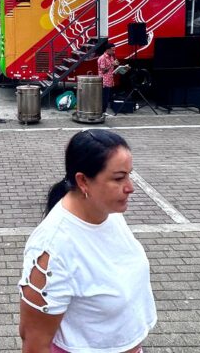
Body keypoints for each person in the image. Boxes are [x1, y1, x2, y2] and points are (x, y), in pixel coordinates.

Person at [19, 129, 156, 352]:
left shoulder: (106, 212)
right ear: (83, 181)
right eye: (119, 178)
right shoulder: (52, 250)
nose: (130, 187)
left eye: (130, 175)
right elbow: (34, 342)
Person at [96, 45, 120, 116]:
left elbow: (111, 69)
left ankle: (104, 111)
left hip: (109, 79)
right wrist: (112, 64)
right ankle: (102, 111)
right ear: (107, 50)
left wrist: (118, 68)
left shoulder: (111, 57)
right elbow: (103, 70)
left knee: (107, 97)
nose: (114, 52)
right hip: (104, 80)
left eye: (114, 50)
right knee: (104, 97)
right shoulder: (102, 58)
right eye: (112, 50)